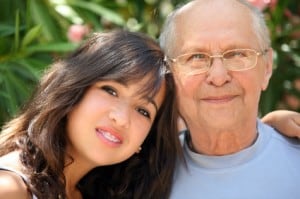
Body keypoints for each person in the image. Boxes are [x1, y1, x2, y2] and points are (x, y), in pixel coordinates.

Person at [0, 30, 182, 199]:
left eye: (143, 111)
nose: (121, 119)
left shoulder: (84, 191)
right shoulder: (10, 188)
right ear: (72, 89)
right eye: (110, 91)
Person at [159, 0, 300, 198]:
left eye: (237, 54)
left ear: (267, 67)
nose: (218, 77)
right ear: (169, 73)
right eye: (197, 57)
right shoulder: (142, 177)